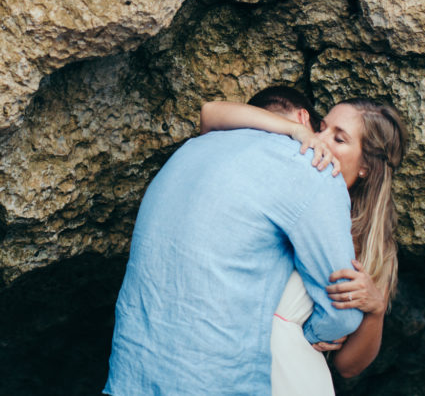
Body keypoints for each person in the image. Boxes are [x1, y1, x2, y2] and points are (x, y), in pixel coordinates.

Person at [104, 87, 363, 395]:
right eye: (321, 130)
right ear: (304, 117)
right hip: (216, 382)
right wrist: (311, 334)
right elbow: (342, 313)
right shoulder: (311, 168)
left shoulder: (188, 152)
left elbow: (210, 112)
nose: (322, 143)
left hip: (130, 379)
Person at [201, 92, 407, 390]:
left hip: (297, 378)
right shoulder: (285, 179)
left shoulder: (376, 248)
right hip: (234, 362)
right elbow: (211, 113)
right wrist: (295, 130)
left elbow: (348, 367)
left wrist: (375, 310)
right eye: (322, 127)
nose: (321, 140)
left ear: (367, 166)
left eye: (339, 139)